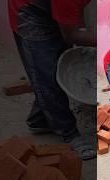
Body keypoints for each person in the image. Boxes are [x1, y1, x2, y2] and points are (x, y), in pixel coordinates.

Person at [8, 0, 96, 160]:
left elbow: (75, 13)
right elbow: (71, 35)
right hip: (28, 13)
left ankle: (39, 120)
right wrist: (98, 40)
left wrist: (78, 26)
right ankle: (68, 133)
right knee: (46, 75)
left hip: (49, 7)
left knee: (55, 67)